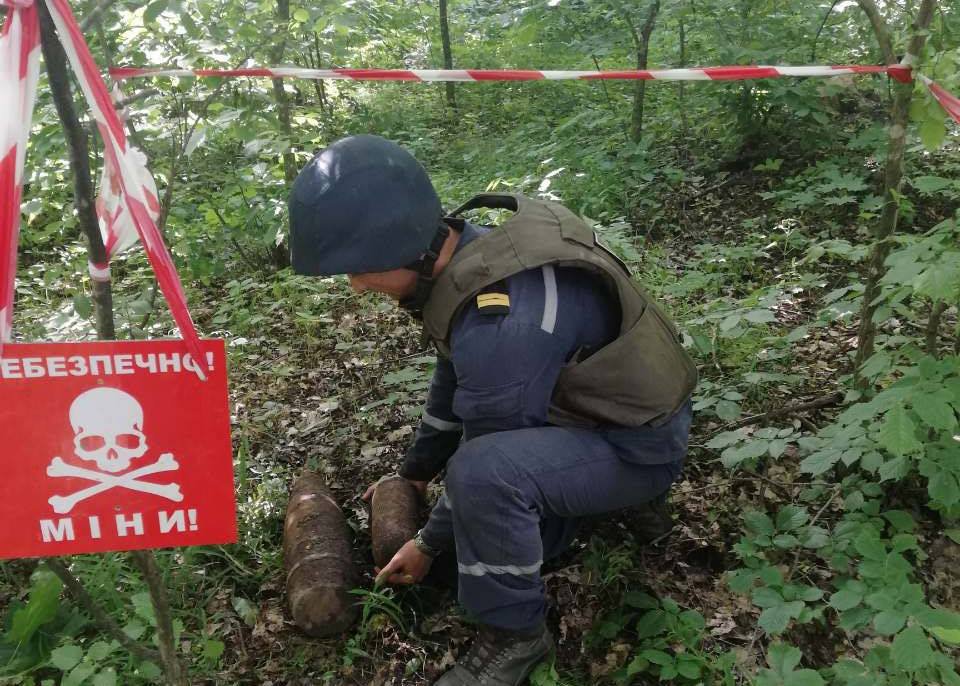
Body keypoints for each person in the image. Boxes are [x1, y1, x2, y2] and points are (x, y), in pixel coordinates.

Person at [288, 134, 697, 686]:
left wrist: (428, 543)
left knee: (482, 480)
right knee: (484, 491)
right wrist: (413, 474)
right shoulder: (479, 255)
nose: (358, 285)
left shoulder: (501, 323)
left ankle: (515, 638)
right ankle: (600, 508)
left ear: (402, 246)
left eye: (360, 269)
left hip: (639, 446)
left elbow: (484, 455)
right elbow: (455, 377)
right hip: (621, 410)